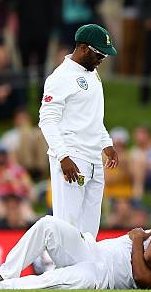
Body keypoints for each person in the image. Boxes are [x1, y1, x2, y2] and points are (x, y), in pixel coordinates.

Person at [39, 24, 118, 238]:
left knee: (90, 231)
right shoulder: (60, 77)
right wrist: (63, 156)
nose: (102, 59)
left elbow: (92, 117)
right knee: (68, 227)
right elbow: (46, 120)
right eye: (99, 54)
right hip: (72, 157)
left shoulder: (93, 74)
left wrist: (106, 143)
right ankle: (62, 270)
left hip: (94, 159)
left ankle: (85, 270)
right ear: (83, 48)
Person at [0, 216, 151, 290]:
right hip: (90, 248)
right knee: (48, 224)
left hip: (101, 277)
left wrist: (139, 240)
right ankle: (4, 275)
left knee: (50, 281)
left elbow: (142, 272)